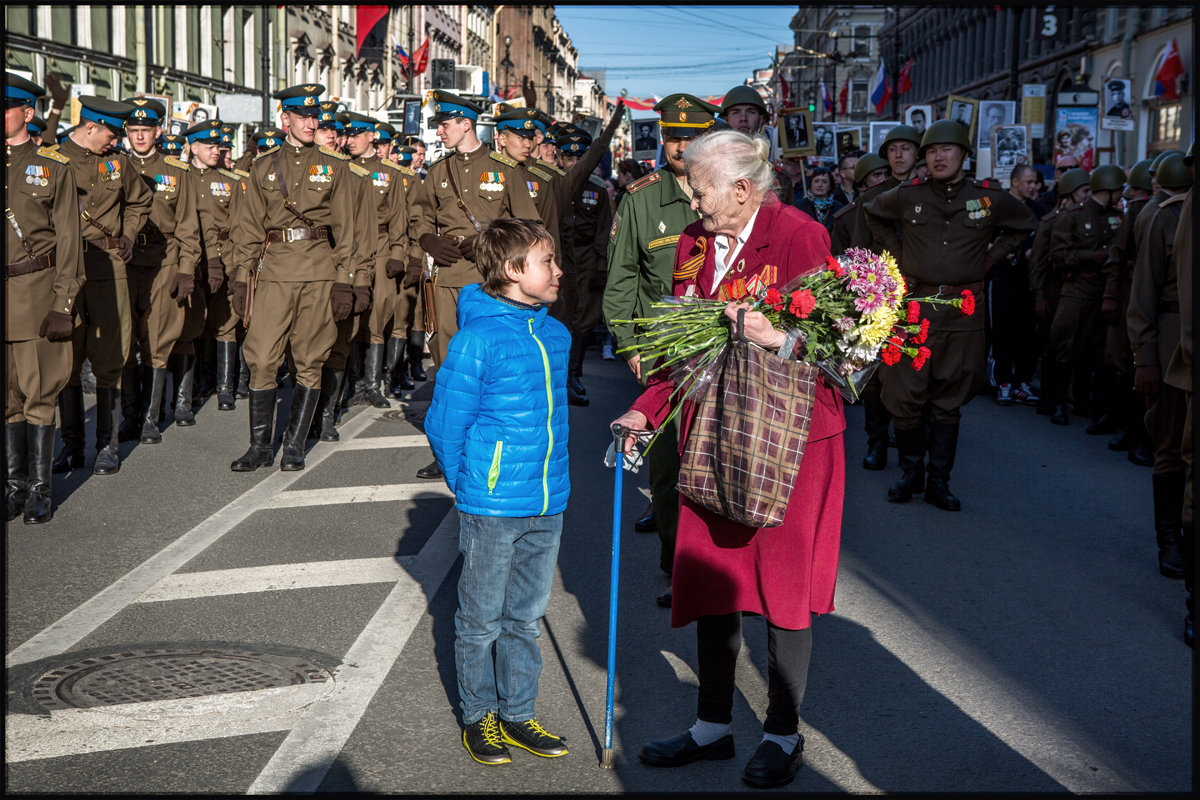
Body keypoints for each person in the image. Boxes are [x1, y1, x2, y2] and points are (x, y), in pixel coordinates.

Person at [610, 130, 844, 790]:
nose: (690, 197)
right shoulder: (691, 242)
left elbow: (839, 345)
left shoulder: (798, 235)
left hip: (789, 442)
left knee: (782, 589)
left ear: (742, 189)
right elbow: (684, 341)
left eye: (699, 186)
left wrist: (780, 338)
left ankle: (783, 732)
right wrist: (646, 409)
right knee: (711, 577)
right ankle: (712, 725)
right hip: (712, 431)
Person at [423, 217, 571, 766]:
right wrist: (471, 487)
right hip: (492, 504)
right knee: (480, 618)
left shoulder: (555, 333)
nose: (558, 272)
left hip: (547, 500)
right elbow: (445, 424)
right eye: (546, 263)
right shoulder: (478, 339)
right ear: (512, 272)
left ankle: (517, 713)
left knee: (525, 618)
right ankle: (478, 715)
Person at [864, 120, 1037, 510]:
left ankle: (939, 482)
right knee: (905, 392)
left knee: (950, 395)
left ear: (963, 155)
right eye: (931, 151)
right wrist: (897, 255)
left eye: (947, 150)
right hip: (915, 306)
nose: (938, 157)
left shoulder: (987, 198)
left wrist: (991, 257)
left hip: (963, 312)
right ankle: (911, 474)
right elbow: (871, 212)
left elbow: (1025, 223)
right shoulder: (908, 195)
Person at [603, 93, 720, 607]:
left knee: (716, 461)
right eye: (674, 135)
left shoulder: (727, 192)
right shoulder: (641, 199)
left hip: (722, 353)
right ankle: (678, 568)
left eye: (692, 137)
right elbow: (622, 278)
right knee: (669, 469)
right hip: (665, 356)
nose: (682, 145)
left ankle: (717, 567)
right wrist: (629, 345)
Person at [408, 90, 541, 480]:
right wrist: (427, 239)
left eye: (445, 124)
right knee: (450, 369)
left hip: (492, 283)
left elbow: (530, 226)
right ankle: (448, 450)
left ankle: (490, 443)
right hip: (447, 281)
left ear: (466, 123)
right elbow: (419, 214)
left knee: (491, 368)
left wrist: (489, 241)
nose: (440, 131)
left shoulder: (504, 169)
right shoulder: (437, 170)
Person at [228, 83, 359, 473]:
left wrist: (345, 280)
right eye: (302, 116)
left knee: (310, 358)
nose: (310, 122)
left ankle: (295, 444)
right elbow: (249, 226)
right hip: (274, 272)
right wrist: (241, 276)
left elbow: (347, 231)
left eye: (314, 116)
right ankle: (259, 446)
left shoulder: (335, 167)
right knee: (262, 357)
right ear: (284, 118)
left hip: (319, 272)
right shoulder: (263, 166)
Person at [54, 96, 154, 476]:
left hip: (110, 268)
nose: (116, 141)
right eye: (111, 133)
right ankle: (71, 447)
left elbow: (140, 201)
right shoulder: (52, 160)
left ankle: (107, 446)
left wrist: (128, 234)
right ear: (90, 127)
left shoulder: (118, 163)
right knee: (67, 361)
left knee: (111, 356)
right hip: (68, 271)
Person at [5, 72, 85, 524]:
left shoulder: (53, 167)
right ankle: (13, 486)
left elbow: (70, 242)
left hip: (36, 294)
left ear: (27, 113)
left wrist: (63, 302)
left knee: (38, 396)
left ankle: (39, 490)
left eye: (6, 108)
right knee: (7, 399)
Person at [119, 97, 203, 444]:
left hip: (164, 260)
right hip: (125, 263)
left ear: (158, 131)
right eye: (134, 131)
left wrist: (186, 270)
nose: (140, 138)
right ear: (126, 132)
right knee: (126, 343)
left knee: (157, 340)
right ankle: (130, 415)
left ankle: (151, 419)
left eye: (146, 130)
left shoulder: (176, 172)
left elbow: (188, 227)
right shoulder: (114, 168)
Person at [1127, 153, 1191, 579]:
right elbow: (1143, 296)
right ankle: (1169, 541)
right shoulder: (1165, 218)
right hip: (1171, 345)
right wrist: (1145, 359)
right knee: (1170, 447)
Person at [1046, 165, 1125, 426]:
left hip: (1105, 290)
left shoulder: (1118, 216)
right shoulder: (1073, 216)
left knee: (1099, 351)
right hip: (1077, 289)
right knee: (1066, 345)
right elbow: (1058, 255)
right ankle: (1059, 403)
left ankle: (1085, 402)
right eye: (1119, 189)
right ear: (1110, 189)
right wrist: (1091, 257)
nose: (1122, 194)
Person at [184, 119, 244, 413]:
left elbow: (239, 227)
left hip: (225, 257)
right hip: (194, 260)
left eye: (218, 146)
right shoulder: (182, 178)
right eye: (209, 146)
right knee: (195, 324)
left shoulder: (231, 182)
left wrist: (235, 267)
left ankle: (224, 387)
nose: (216, 151)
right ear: (193, 147)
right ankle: (196, 385)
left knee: (225, 323)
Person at [1028, 168, 1090, 417]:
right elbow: (1038, 263)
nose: (1089, 196)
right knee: (1051, 345)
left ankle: (1072, 398)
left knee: (1076, 345)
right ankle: (1049, 398)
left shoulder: (1087, 219)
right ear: (1071, 193)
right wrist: (1040, 296)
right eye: (1085, 191)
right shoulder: (1051, 222)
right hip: (1053, 291)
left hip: (1075, 291)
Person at [990, 164, 1044, 407]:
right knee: (1002, 332)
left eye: (1035, 183)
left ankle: (1022, 382)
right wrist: (1001, 252)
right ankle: (1003, 383)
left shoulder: (1039, 210)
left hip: (1028, 281)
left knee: (1026, 333)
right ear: (1014, 182)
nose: (1034, 186)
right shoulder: (996, 207)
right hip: (1001, 279)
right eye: (1029, 182)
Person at [795, 167, 844, 231]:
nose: (820, 185)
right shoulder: (799, 206)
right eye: (816, 181)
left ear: (830, 186)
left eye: (824, 182)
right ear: (811, 184)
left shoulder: (839, 207)